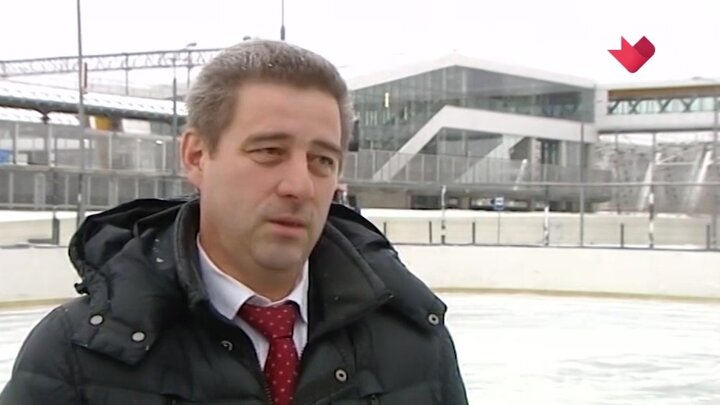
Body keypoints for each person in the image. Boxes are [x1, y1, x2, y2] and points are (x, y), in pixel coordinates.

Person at [0, 39, 468, 405]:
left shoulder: (417, 345)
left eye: (322, 160)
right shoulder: (76, 354)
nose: (300, 185)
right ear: (196, 156)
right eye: (269, 151)